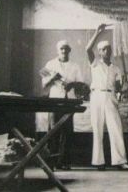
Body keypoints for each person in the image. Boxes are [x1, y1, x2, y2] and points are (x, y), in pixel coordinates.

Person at [86, 24, 128, 170]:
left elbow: (119, 88)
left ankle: (120, 161)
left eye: (108, 49)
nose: (106, 51)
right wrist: (97, 32)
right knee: (97, 129)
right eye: (103, 49)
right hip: (97, 96)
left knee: (116, 128)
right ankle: (99, 162)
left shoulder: (116, 68)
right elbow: (87, 49)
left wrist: (124, 87)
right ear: (99, 52)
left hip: (110, 97)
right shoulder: (95, 64)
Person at [40, 40, 85, 170]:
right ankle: (51, 163)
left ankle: (64, 162)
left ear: (69, 50)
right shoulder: (50, 64)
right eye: (61, 49)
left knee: (67, 132)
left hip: (69, 101)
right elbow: (44, 84)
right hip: (55, 101)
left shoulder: (75, 66)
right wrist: (52, 78)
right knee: (53, 131)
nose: (64, 51)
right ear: (57, 51)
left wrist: (72, 84)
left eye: (66, 49)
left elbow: (81, 85)